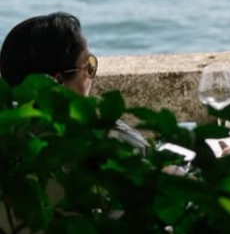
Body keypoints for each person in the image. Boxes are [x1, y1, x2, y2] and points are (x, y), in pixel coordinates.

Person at [0, 12, 149, 151]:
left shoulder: (10, 141)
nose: (92, 75)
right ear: (57, 84)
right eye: (89, 66)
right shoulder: (113, 140)